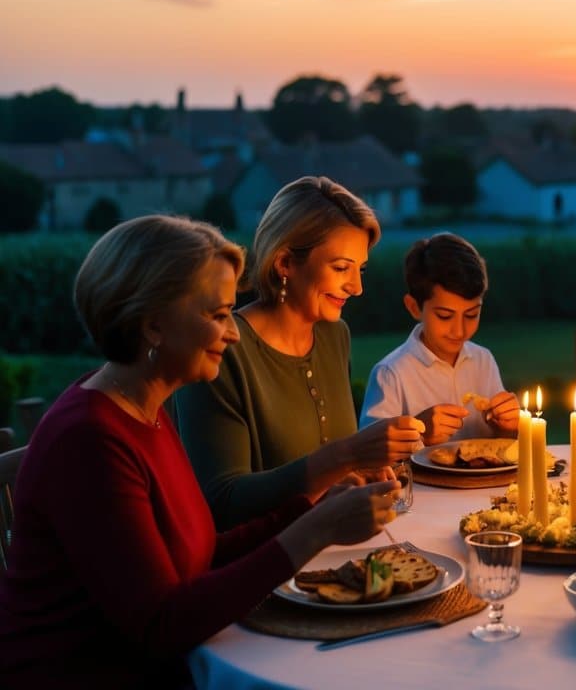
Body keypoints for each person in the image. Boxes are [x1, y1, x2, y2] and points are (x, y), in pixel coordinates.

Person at [0, 216, 400, 687]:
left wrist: (309, 510)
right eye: (217, 315)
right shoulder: (90, 440)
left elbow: (198, 553)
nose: (233, 333)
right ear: (154, 326)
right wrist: (314, 531)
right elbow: (161, 624)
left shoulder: (144, 410)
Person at [176, 176, 423, 530]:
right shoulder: (222, 348)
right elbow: (223, 503)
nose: (357, 287)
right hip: (264, 569)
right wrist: (348, 455)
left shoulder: (335, 335)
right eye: (341, 268)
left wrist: (359, 471)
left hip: (333, 551)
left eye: (360, 269)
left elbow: (327, 478)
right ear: (285, 263)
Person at [359, 232, 520, 443]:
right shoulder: (391, 375)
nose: (460, 331)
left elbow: (504, 444)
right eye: (445, 316)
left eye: (471, 314)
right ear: (414, 307)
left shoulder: (483, 361)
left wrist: (508, 427)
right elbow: (371, 458)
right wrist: (420, 434)